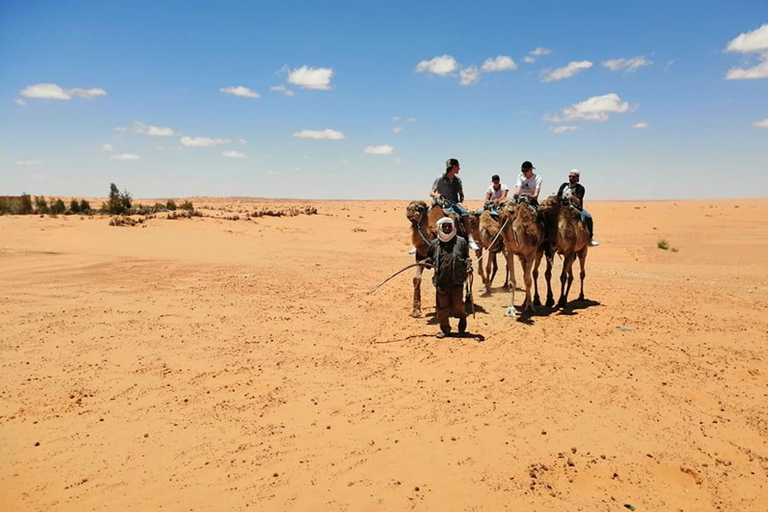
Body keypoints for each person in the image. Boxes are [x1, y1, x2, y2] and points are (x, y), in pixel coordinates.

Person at [426, 217, 471, 338]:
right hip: (441, 281)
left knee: (457, 306)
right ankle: (445, 329)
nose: (446, 229)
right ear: (440, 227)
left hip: (457, 280)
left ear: (453, 227)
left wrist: (468, 263)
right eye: (444, 226)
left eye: (449, 226)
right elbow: (430, 258)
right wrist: (426, 262)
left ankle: (462, 317)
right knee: (442, 307)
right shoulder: (435, 244)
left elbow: (466, 256)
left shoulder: (461, 242)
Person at [430, 158, 479, 250]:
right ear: (453, 167)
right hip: (440, 203)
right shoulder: (440, 178)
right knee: (424, 216)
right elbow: (431, 192)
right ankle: (419, 243)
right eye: (458, 167)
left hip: (453, 204)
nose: (459, 169)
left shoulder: (458, 180)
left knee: (465, 214)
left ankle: (469, 238)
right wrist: (437, 195)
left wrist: (461, 199)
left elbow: (461, 194)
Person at [557, 169, 599, 246]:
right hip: (562, 207)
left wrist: (571, 196)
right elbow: (558, 196)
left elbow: (578, 201)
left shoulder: (580, 188)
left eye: (573, 177)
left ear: (577, 178)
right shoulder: (564, 186)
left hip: (575, 208)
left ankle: (590, 238)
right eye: (570, 176)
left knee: (587, 217)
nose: (571, 178)